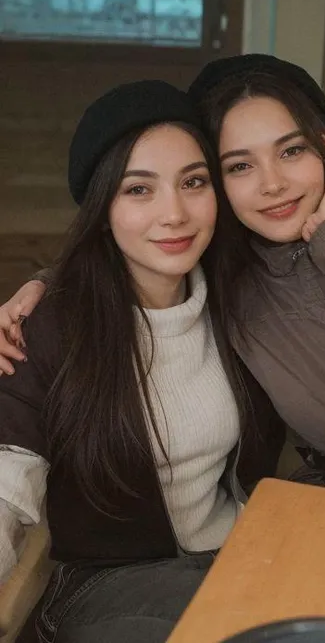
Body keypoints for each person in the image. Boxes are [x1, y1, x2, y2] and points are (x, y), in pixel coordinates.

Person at [2, 54, 325, 512]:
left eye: (292, 150)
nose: (273, 184)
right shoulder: (229, 282)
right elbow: (131, 258)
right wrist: (48, 289)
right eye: (239, 166)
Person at [0, 79, 285, 643]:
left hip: (237, 560)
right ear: (101, 208)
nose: (174, 214)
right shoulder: (49, 326)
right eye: (139, 189)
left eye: (194, 183)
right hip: (104, 586)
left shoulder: (242, 301)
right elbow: (7, 481)